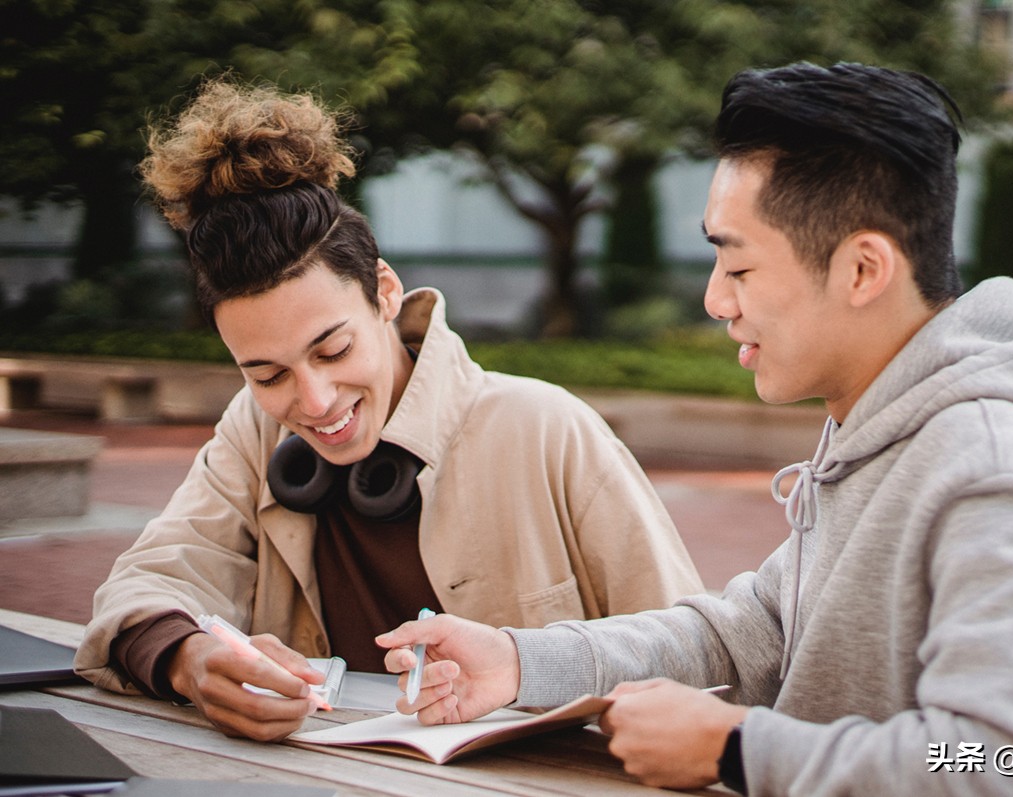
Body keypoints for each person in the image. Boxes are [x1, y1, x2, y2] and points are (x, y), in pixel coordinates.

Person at [376, 62, 1013, 796]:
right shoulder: (883, 422)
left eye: (740, 267)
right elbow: (749, 634)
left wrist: (739, 749)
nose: (715, 300)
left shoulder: (994, 463)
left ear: (863, 269)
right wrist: (519, 661)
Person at [75, 78, 703, 742]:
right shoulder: (255, 430)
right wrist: (189, 659)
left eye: (334, 349)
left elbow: (696, 652)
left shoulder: (548, 428)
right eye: (267, 374)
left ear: (385, 292)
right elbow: (146, 582)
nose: (314, 401)